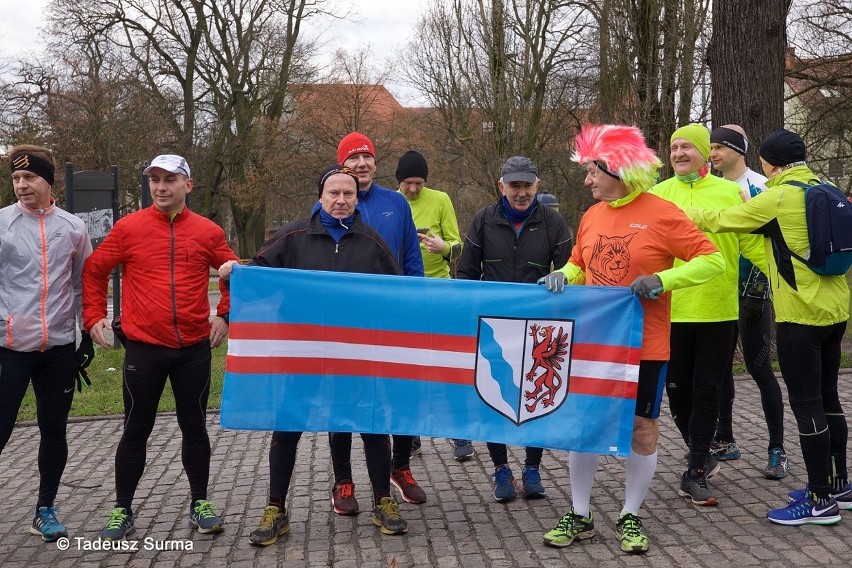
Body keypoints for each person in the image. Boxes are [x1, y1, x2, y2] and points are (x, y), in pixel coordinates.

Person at [539, 124, 723, 553]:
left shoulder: (662, 213)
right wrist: (562, 276)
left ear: (617, 169)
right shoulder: (591, 215)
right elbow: (578, 265)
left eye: (592, 172)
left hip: (645, 345)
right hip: (592, 343)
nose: (587, 180)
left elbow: (711, 261)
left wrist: (663, 278)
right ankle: (580, 514)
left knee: (642, 429)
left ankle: (630, 514)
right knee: (584, 427)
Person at [219, 166, 408, 544]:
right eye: (333, 194)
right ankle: (276, 508)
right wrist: (234, 272)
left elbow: (398, 290)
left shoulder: (372, 241)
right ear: (320, 197)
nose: (341, 201)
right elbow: (258, 272)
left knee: (371, 425)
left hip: (357, 356)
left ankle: (384, 502)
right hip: (303, 356)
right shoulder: (292, 236)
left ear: (357, 199)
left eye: (348, 195)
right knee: (287, 427)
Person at [686, 128, 851, 526]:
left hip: (800, 316)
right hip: (836, 310)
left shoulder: (778, 196)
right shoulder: (825, 187)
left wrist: (684, 212)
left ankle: (818, 500)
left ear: (768, 161)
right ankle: (841, 486)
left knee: (806, 403)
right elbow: (781, 243)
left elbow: (723, 220)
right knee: (830, 397)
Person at [83, 154, 240, 540]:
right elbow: (94, 270)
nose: (160, 187)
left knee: (194, 427)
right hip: (145, 350)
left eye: (170, 179)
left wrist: (225, 313)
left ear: (188, 184)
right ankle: (122, 508)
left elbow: (235, 271)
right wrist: (92, 317)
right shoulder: (128, 229)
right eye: (154, 179)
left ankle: (200, 502)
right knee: (136, 428)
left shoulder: (207, 231)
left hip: (192, 350)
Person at [648, 124, 765, 506]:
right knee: (677, 389)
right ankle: (700, 449)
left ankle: (695, 469)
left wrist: (786, 277)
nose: (679, 153)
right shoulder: (657, 195)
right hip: (670, 308)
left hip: (717, 308)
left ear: (703, 153)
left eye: (688, 147)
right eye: (674, 147)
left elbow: (752, 244)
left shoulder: (731, 192)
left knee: (708, 389)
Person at [457, 155, 572, 502]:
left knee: (535, 398)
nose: (521, 193)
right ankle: (501, 470)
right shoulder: (483, 220)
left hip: (539, 328)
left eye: (527, 186)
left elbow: (572, 271)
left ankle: (532, 468)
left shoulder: (552, 222)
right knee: (496, 395)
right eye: (514, 186)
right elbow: (465, 273)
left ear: (537, 185)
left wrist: (560, 283)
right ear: (501, 186)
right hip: (493, 326)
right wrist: (467, 311)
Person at [329, 133, 427, 513]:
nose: (362, 164)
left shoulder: (397, 202)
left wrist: (415, 305)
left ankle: (399, 467)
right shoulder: (335, 203)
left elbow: (412, 260)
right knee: (344, 402)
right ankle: (343, 480)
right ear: (342, 167)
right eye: (353, 159)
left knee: (401, 395)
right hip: (345, 325)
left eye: (367, 157)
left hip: (393, 319)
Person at [0, 145, 93, 543]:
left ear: (48, 181)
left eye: (30, 178)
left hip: (57, 349)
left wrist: (86, 333)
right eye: (16, 178)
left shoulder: (73, 227)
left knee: (54, 430)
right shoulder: (2, 223)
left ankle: (45, 509)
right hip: (9, 349)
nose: (22, 185)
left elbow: (81, 286)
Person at [708, 125, 788, 479]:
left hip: (753, 294)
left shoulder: (761, 186)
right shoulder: (711, 188)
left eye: (718, 148)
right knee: (721, 367)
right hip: (719, 291)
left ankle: (777, 449)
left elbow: (773, 240)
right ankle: (724, 439)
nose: (712, 154)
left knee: (759, 369)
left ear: (738, 151)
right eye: (708, 148)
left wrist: (760, 288)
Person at [395, 150, 473, 462]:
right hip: (403, 294)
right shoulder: (391, 202)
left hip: (439, 291)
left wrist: (444, 247)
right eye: (407, 183)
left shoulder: (440, 199)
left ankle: (461, 434)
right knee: (408, 365)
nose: (412, 189)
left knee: (447, 364)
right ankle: (409, 434)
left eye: (418, 183)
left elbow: (459, 248)